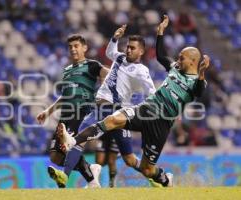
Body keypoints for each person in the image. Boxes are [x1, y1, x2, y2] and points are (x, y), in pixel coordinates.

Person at [58, 15, 210, 187]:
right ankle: (72, 141)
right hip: (147, 108)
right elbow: (161, 56)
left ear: (193, 61)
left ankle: (165, 179)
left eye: (182, 57)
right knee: (112, 120)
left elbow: (199, 92)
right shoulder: (174, 67)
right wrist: (160, 33)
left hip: (162, 122)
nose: (178, 59)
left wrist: (202, 73)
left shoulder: (197, 81)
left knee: (147, 169)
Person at [51, 24, 156, 188]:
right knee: (80, 140)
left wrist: (152, 110)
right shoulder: (120, 57)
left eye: (132, 48)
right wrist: (115, 38)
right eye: (127, 46)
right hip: (100, 108)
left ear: (141, 51)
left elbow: (151, 91)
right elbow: (109, 52)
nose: (128, 50)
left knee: (128, 158)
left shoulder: (141, 70)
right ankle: (64, 175)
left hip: (118, 112)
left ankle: (157, 176)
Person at [36, 34, 109, 188]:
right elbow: (65, 95)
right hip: (65, 114)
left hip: (81, 112)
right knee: (55, 157)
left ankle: (70, 180)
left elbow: (109, 75)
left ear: (84, 48)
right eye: (70, 47)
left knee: (67, 147)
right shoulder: (67, 70)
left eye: (76, 46)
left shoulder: (92, 65)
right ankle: (91, 174)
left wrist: (102, 93)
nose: (73, 49)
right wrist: (48, 111)